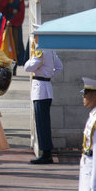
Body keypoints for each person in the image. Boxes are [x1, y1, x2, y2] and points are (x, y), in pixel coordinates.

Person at [24, 31, 63, 164]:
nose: (34, 38)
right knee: (44, 123)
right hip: (46, 86)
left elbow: (28, 67)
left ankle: (46, 154)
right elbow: (59, 66)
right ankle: (46, 152)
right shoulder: (51, 50)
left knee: (42, 123)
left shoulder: (40, 50)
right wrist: (49, 74)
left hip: (40, 88)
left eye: (35, 36)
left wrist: (31, 60)